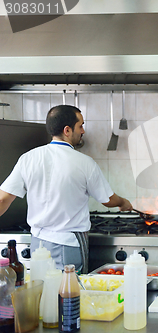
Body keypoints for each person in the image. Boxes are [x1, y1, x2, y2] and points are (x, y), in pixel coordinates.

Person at [0, 105, 132, 273]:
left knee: (44, 295)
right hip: (69, 245)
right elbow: (108, 200)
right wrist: (123, 202)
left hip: (38, 244)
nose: (83, 131)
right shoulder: (84, 163)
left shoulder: (28, 159)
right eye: (81, 125)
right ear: (67, 130)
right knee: (70, 295)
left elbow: (2, 199)